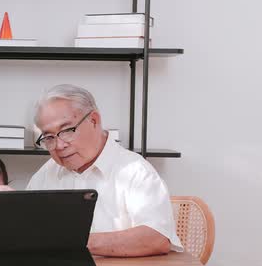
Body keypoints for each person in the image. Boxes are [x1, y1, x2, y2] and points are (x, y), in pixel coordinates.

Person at [23, 84, 182, 257]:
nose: (59, 145)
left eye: (67, 130)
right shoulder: (46, 174)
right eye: (49, 137)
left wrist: (74, 242)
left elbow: (157, 238)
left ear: (94, 120)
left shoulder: (135, 170)